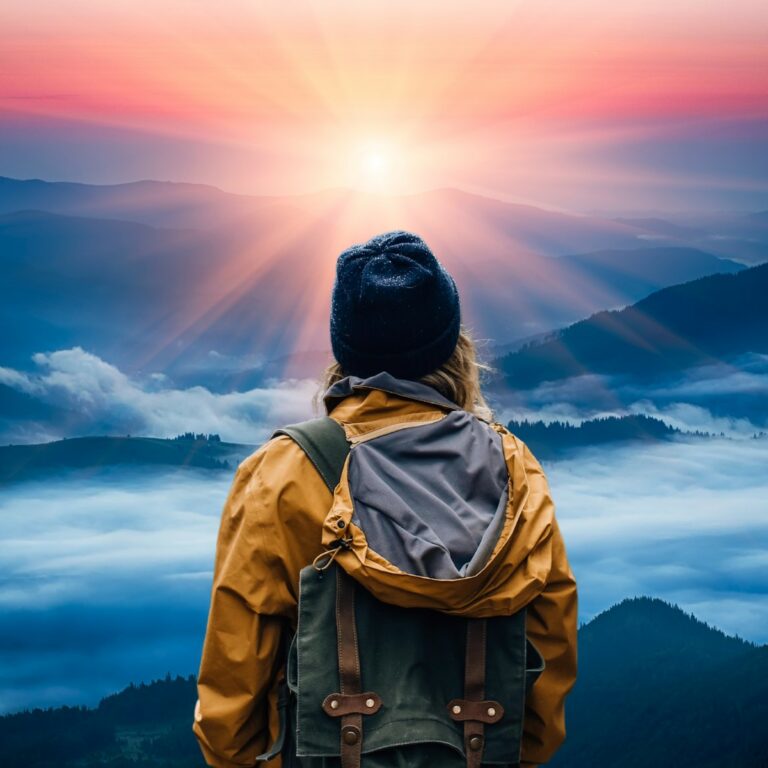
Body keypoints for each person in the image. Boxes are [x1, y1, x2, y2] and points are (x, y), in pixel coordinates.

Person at [193, 230, 578, 768]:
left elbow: (233, 687)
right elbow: (548, 651)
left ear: (344, 349)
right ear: (452, 346)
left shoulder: (280, 476)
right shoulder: (516, 471)